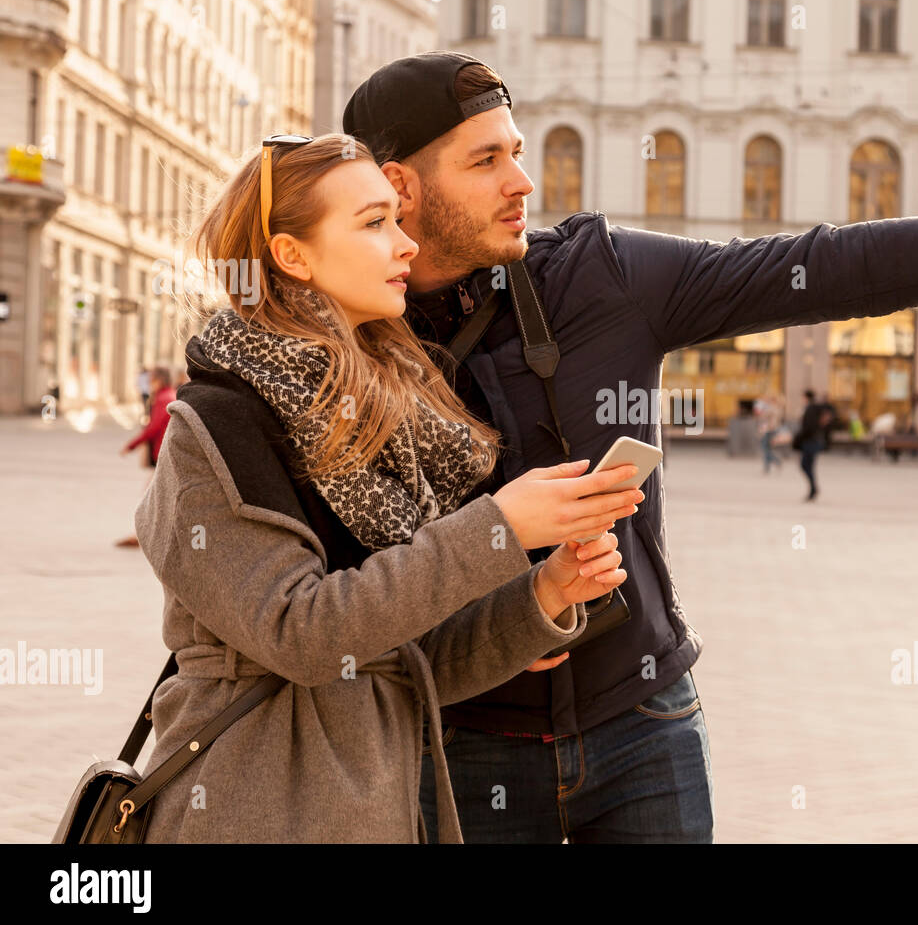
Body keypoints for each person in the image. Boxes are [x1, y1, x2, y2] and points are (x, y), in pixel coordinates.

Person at [341, 50, 918, 844]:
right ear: (401, 186)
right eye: (487, 160)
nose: (523, 183)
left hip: (644, 723)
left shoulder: (601, 275)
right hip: (464, 750)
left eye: (522, 152)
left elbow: (833, 264)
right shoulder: (338, 347)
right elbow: (330, 599)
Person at [129, 134, 644, 843]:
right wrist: (497, 529)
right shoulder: (217, 422)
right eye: (374, 223)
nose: (406, 245)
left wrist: (544, 595)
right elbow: (304, 636)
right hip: (251, 808)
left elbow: (405, 661)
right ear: (292, 255)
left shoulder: (380, 415)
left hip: (378, 809)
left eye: (396, 221)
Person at [116, 366, 177, 548]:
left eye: (151, 380)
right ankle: (150, 534)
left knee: (150, 496)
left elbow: (153, 428)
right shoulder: (170, 395)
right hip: (167, 454)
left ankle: (143, 535)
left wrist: (131, 445)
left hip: (163, 455)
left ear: (159, 380)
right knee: (159, 496)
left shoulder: (163, 399)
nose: (149, 384)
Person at [794, 390, 833, 501]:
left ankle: (813, 488)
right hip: (814, 440)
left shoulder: (811, 409)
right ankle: (813, 488)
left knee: (805, 465)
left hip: (810, 441)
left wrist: (798, 439)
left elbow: (808, 427)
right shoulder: (816, 408)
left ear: (806, 397)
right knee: (808, 466)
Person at [755, 393, 784, 473]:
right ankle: (767, 467)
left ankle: (775, 461)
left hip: (769, 430)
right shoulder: (778, 408)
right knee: (767, 448)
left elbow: (763, 417)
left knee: (765, 448)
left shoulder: (772, 408)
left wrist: (760, 411)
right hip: (773, 429)